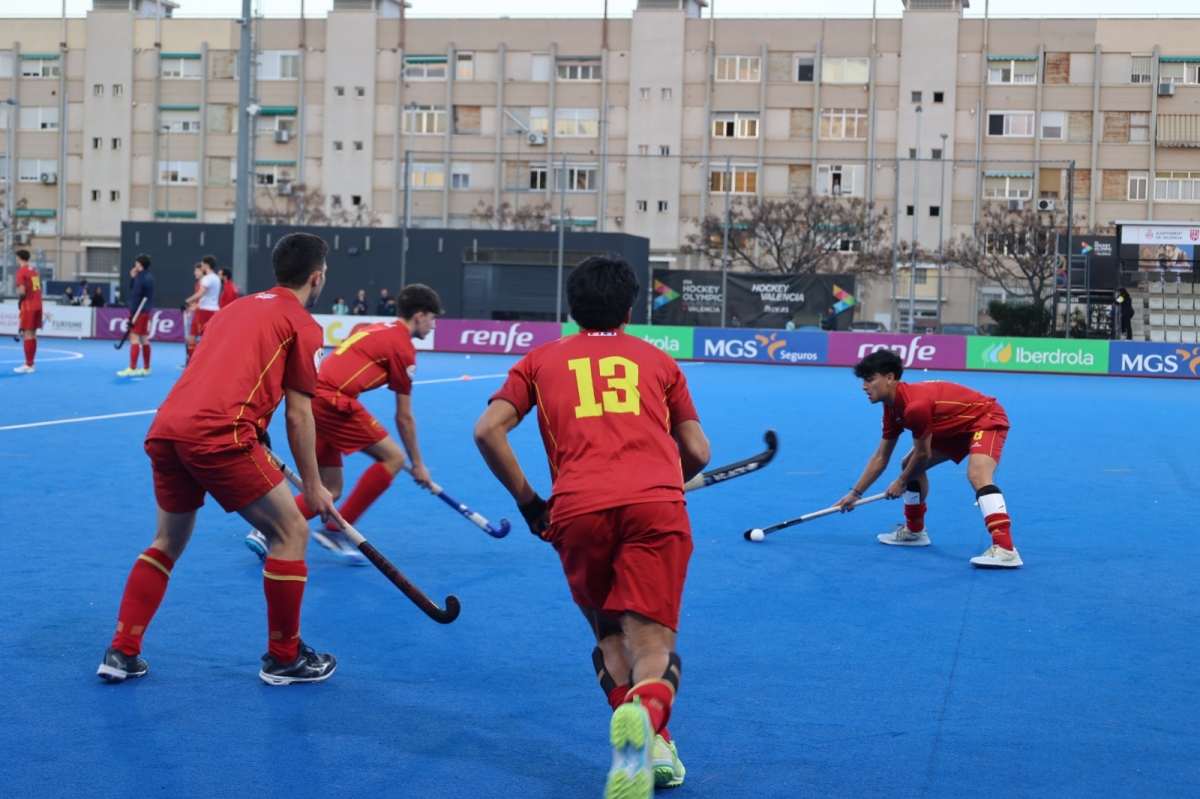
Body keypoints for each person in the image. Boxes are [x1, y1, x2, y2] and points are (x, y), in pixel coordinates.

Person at [473, 255, 711, 797]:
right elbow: (696, 449)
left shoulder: (538, 360)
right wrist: (668, 483)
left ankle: (651, 748)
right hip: (655, 507)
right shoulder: (660, 362)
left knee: (608, 633)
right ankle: (647, 718)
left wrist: (534, 505)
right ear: (631, 308)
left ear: (571, 307)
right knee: (652, 641)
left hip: (577, 510)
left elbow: (488, 431)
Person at [97, 232, 338, 686]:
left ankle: (122, 651)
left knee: (167, 541)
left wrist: (255, 425)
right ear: (316, 277)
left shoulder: (235, 307)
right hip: (219, 435)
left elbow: (225, 372)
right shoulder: (303, 324)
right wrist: (314, 485)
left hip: (168, 429)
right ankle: (285, 658)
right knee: (292, 532)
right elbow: (300, 413)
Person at [245, 284, 443, 563]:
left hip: (314, 398)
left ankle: (266, 529)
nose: (434, 326)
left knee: (329, 488)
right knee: (395, 459)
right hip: (332, 400)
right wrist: (419, 463)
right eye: (433, 318)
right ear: (420, 316)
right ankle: (337, 532)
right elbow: (404, 417)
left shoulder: (372, 327)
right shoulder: (403, 349)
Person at [835, 349, 1022, 569]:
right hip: (953, 427)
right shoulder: (891, 408)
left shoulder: (915, 406)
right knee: (908, 465)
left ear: (890, 378)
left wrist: (901, 482)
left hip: (984, 418)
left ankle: (1005, 548)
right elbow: (880, 457)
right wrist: (855, 493)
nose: (864, 387)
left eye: (869, 380)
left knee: (978, 474)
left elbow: (923, 454)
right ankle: (915, 532)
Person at [118, 254, 155, 377]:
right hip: (146, 310)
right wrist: (133, 278)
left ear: (139, 264)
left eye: (136, 262)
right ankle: (146, 367)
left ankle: (132, 368)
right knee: (144, 337)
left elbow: (135, 296)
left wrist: (132, 315)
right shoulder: (149, 277)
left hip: (138, 311)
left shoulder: (140, 278)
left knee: (134, 338)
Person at [181, 259, 221, 366]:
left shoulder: (207, 279)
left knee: (203, 338)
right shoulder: (216, 278)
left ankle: (198, 364)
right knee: (209, 337)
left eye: (202, 265)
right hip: (214, 310)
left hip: (206, 311)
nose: (201, 267)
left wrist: (187, 301)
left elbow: (201, 294)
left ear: (206, 265)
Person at [14, 250, 42, 374]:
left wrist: (19, 302)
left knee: (27, 334)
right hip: (38, 304)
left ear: (18, 258)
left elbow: (22, 291)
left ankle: (28, 364)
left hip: (28, 305)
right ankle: (31, 363)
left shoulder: (21, 272)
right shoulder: (33, 271)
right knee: (33, 334)